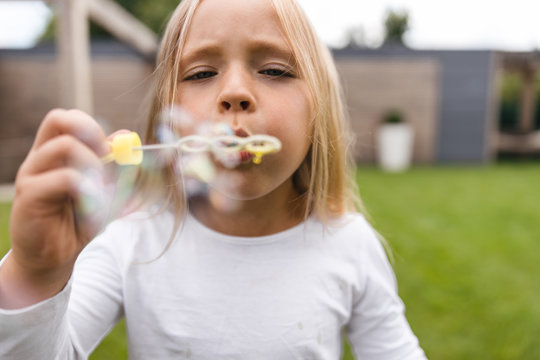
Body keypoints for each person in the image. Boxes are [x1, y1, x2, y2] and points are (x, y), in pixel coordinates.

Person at [0, 0, 427, 358]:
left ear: (319, 111)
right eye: (202, 73)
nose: (234, 92)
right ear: (167, 110)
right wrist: (34, 273)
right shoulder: (132, 239)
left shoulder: (349, 244)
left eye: (275, 70)